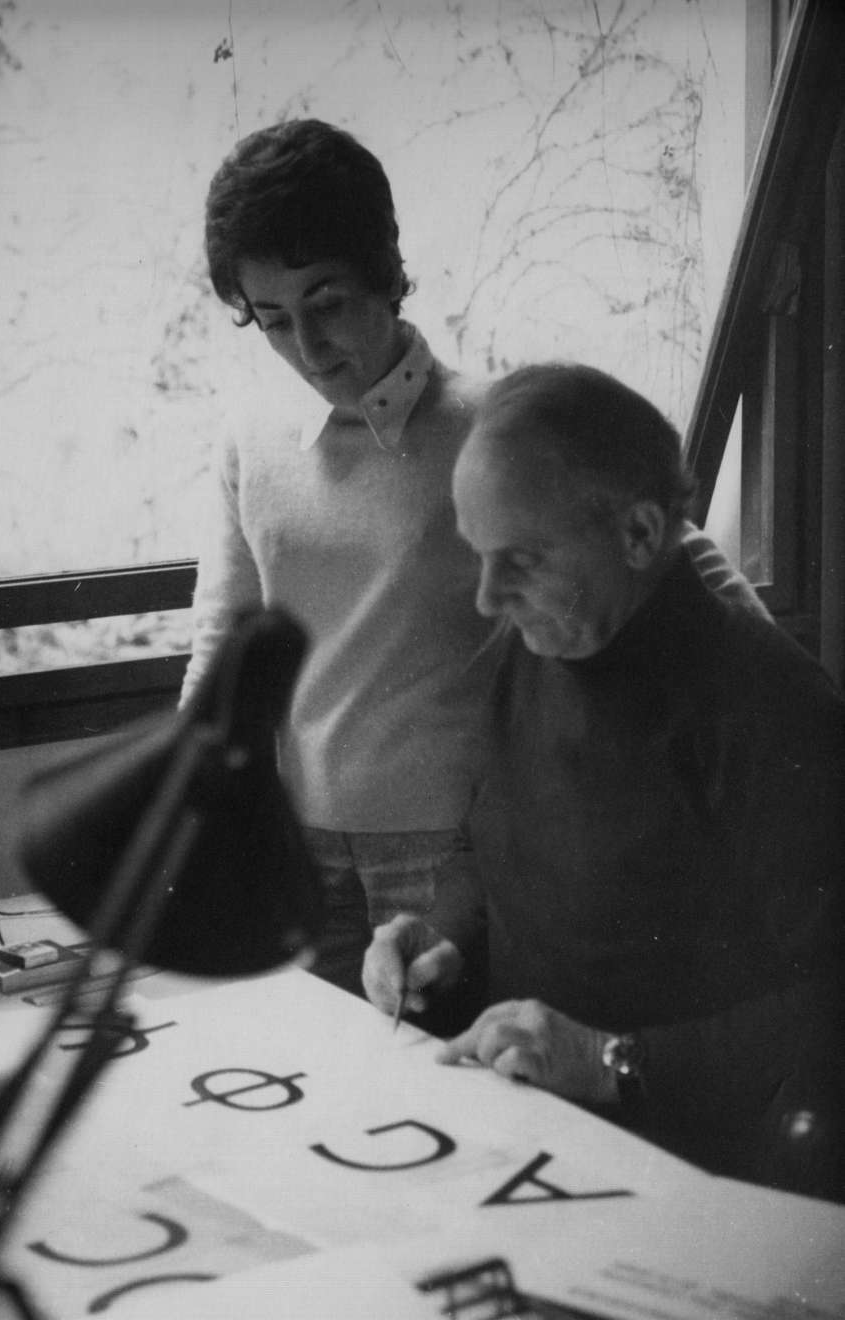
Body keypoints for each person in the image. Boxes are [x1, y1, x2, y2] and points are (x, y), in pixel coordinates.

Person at [185, 118, 758, 994]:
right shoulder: (247, 446)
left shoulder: (491, 423)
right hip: (300, 846)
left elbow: (663, 548)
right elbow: (222, 641)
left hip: (461, 852)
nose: (308, 347)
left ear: (383, 270)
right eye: (273, 320)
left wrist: (766, 664)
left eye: (328, 302)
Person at [362, 363, 845, 1199]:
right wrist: (444, 937)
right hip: (541, 1135)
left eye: (519, 559)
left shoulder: (771, 703)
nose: (485, 598)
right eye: (479, 557)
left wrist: (615, 1061)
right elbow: (495, 846)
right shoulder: (541, 645)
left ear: (641, 532)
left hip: (717, 1178)